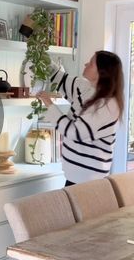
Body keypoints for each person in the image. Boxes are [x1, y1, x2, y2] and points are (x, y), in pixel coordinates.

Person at [37, 50, 124, 185]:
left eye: (91, 63)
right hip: (73, 178)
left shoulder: (108, 106)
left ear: (101, 72)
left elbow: (74, 132)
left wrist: (49, 104)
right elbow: (58, 76)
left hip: (88, 183)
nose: (86, 64)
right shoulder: (84, 88)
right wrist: (39, 51)